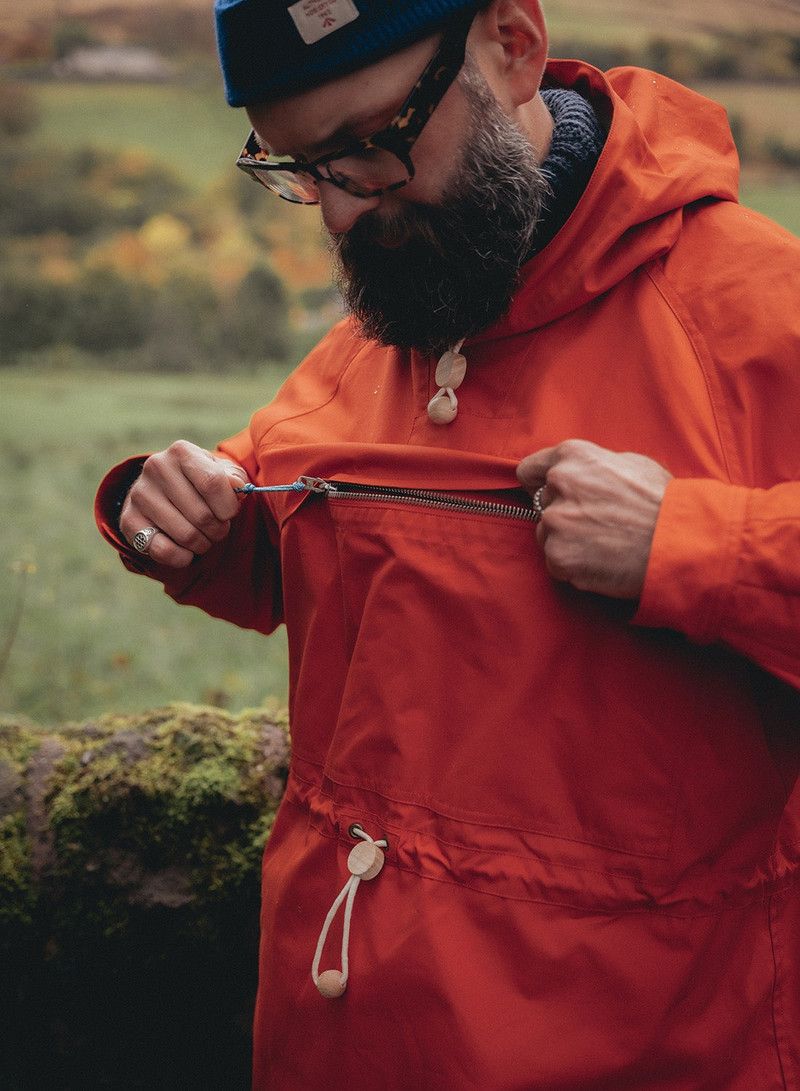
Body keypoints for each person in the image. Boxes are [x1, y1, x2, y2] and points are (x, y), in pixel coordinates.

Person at [95, 0, 800, 1085]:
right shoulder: (392, 313)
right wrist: (184, 516)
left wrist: (696, 545)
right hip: (329, 1037)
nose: (333, 214)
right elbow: (282, 520)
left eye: (367, 146)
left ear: (509, 47)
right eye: (296, 168)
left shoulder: (755, 311)